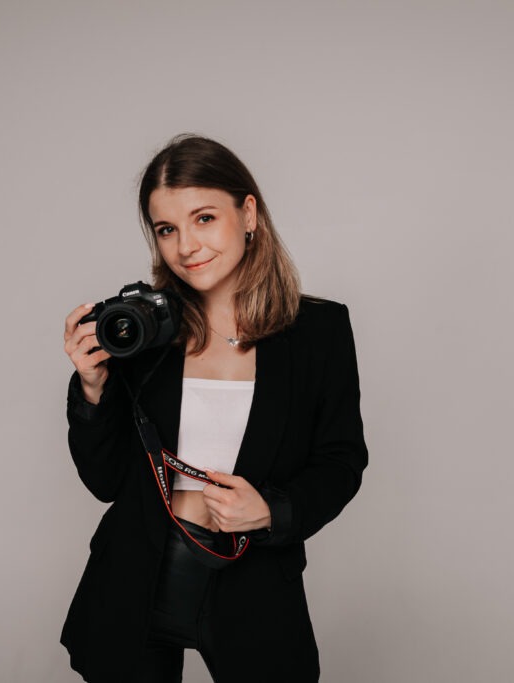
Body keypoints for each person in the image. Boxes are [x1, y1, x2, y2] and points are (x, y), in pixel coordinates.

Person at [61, 134, 367, 682]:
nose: (186, 246)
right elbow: (106, 481)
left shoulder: (319, 332)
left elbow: (342, 460)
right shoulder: (142, 332)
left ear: (248, 213)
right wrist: (91, 386)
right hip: (135, 582)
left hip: (253, 584)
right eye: (167, 229)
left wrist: (271, 511)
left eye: (204, 218)